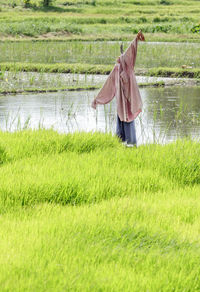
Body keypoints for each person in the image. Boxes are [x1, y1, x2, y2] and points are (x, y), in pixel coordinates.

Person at [92, 30, 145, 146]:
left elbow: (130, 51)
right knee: (122, 119)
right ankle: (121, 143)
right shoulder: (116, 70)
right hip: (121, 103)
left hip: (129, 101)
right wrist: (98, 99)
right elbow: (108, 86)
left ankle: (130, 144)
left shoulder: (128, 68)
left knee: (128, 119)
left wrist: (136, 39)